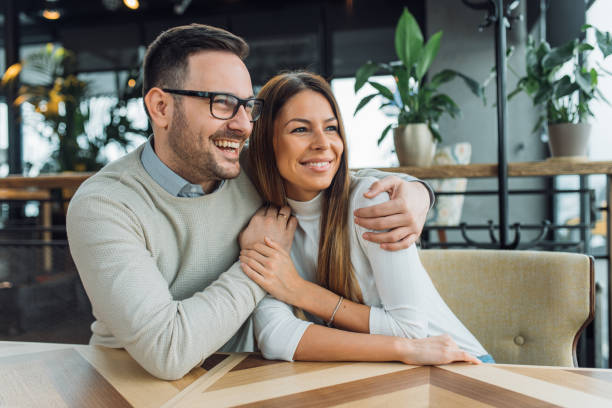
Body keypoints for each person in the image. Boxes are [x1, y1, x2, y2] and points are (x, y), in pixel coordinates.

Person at [66, 24, 435, 380]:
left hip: (246, 377)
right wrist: (260, 261)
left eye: (247, 105)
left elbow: (325, 166)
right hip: (131, 385)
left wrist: (417, 193)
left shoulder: (248, 170)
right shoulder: (105, 206)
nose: (243, 125)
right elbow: (167, 350)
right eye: (222, 103)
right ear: (161, 107)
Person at [241, 71, 492, 365]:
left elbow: (411, 330)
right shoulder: (266, 227)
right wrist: (403, 350)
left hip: (460, 366)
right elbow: (276, 336)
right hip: (387, 370)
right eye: (300, 130)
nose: (323, 143)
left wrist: (299, 290)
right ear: (266, 143)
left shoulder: (369, 202)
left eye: (332, 128)